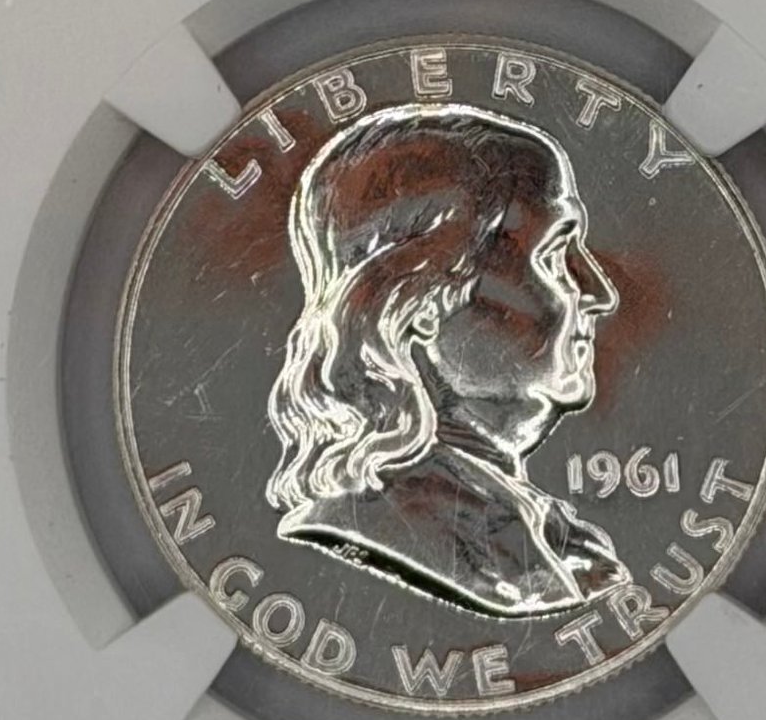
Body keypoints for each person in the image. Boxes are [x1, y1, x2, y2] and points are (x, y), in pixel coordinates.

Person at [265, 103, 629, 616]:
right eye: (552, 256)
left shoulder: (553, 539)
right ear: (417, 304)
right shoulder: (391, 530)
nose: (598, 293)